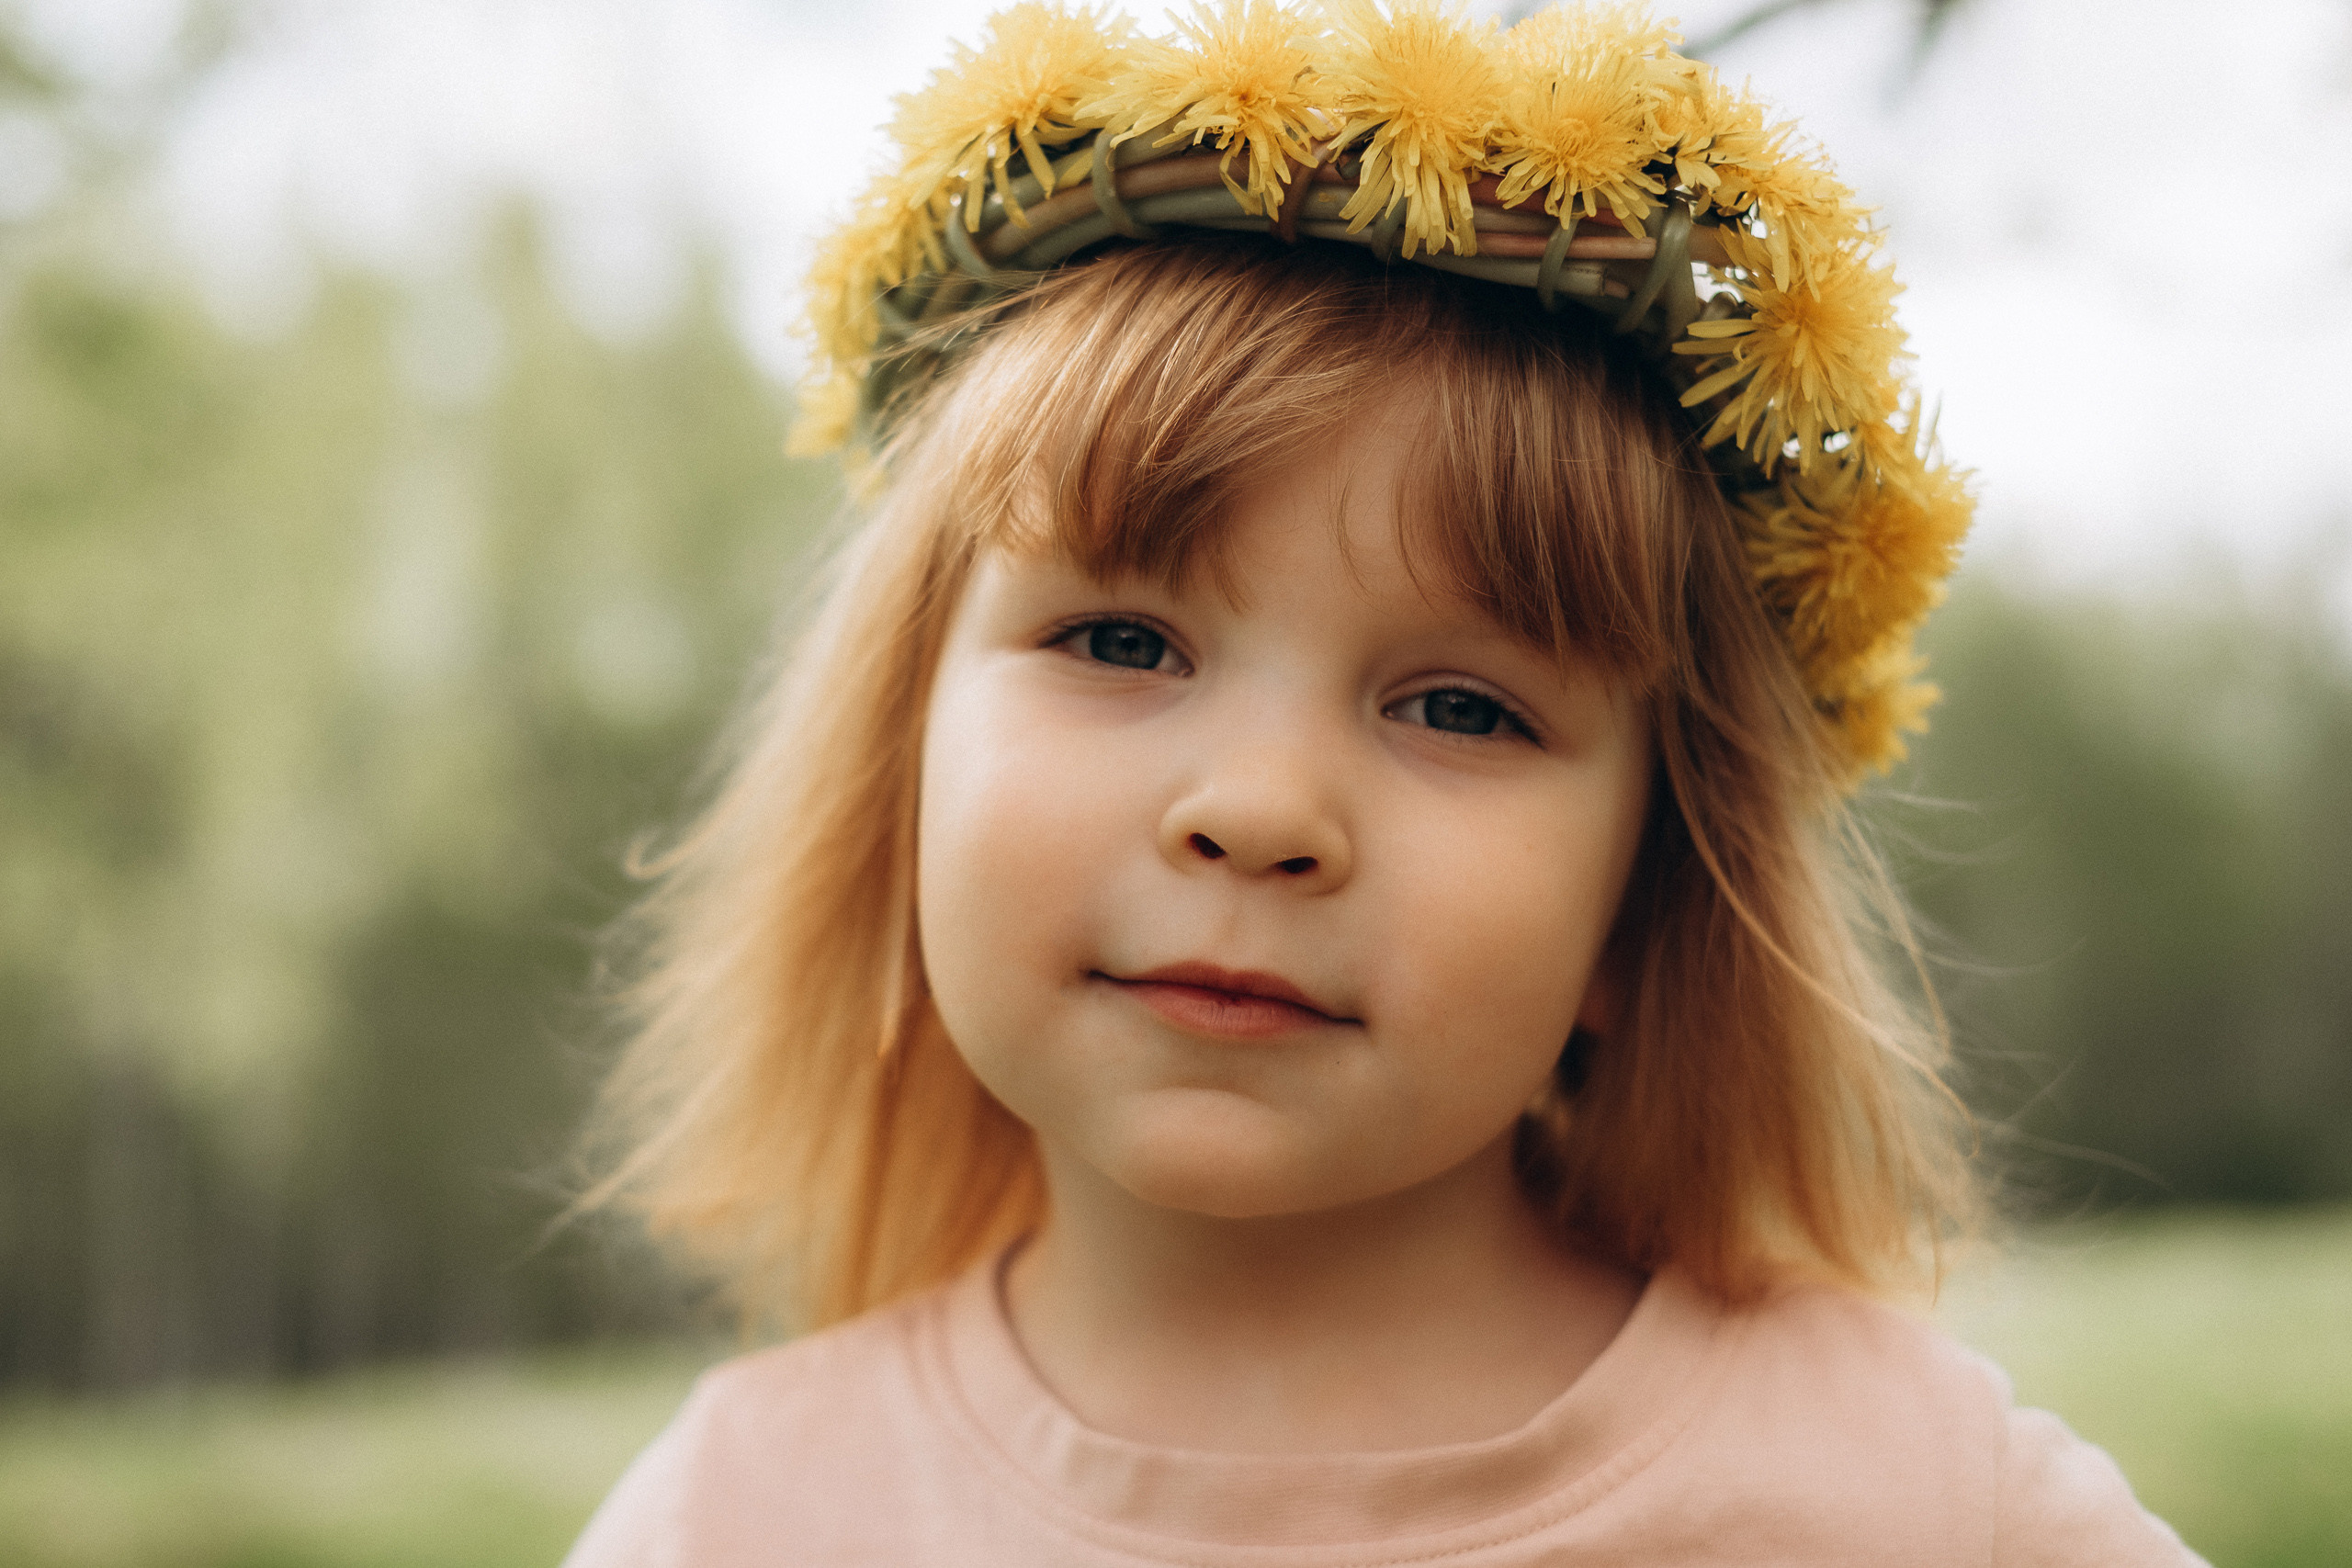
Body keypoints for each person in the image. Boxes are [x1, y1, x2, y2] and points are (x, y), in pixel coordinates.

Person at [566, 3, 2202, 1562]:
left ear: (1657, 893)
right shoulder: (733, 1519)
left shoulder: (1917, 1505)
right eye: (1124, 644)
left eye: (1462, 709)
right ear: (893, 768)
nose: (1262, 811)